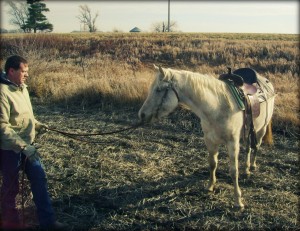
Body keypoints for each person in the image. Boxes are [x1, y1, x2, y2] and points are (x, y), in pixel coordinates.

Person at [0, 55, 67, 230]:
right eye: (24, 71)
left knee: (39, 179)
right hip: (10, 150)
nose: (27, 75)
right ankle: (11, 223)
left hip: (29, 147)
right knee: (11, 189)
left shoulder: (23, 88)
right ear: (11, 71)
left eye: (27, 72)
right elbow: (2, 127)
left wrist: (37, 125)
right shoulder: (2, 92)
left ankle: (48, 221)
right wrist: (23, 147)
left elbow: (25, 116)